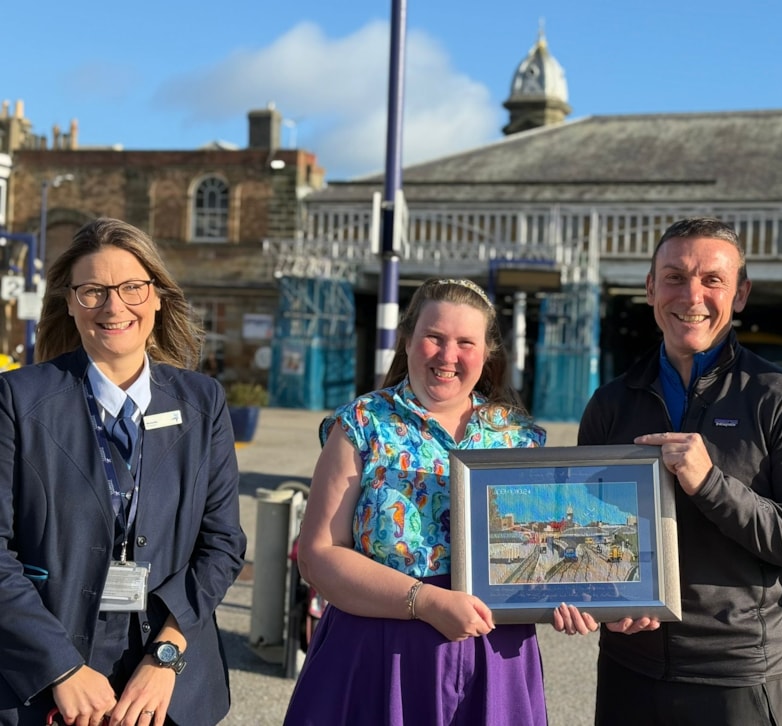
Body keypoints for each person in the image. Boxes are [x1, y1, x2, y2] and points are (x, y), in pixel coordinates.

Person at [563, 217, 782, 725]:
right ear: (651, 288)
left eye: (712, 280)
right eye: (674, 277)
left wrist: (711, 484)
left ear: (740, 294)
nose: (691, 295)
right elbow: (586, 533)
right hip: (628, 671)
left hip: (736, 679)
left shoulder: (781, 400)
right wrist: (596, 597)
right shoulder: (610, 404)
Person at [0, 218, 247, 725]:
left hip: (168, 682)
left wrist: (166, 655)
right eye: (93, 291)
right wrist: (62, 670)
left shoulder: (203, 403)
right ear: (69, 302)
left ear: (157, 295)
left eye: (132, 287)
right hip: (49, 681)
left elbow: (222, 544)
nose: (115, 307)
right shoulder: (18, 400)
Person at [284, 278, 550, 726]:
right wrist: (424, 601)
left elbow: (542, 556)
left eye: (465, 342)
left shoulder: (518, 439)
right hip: (378, 648)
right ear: (407, 340)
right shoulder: (361, 423)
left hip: (492, 654)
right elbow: (318, 555)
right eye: (434, 338)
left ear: (486, 354)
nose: (448, 356)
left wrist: (584, 601)